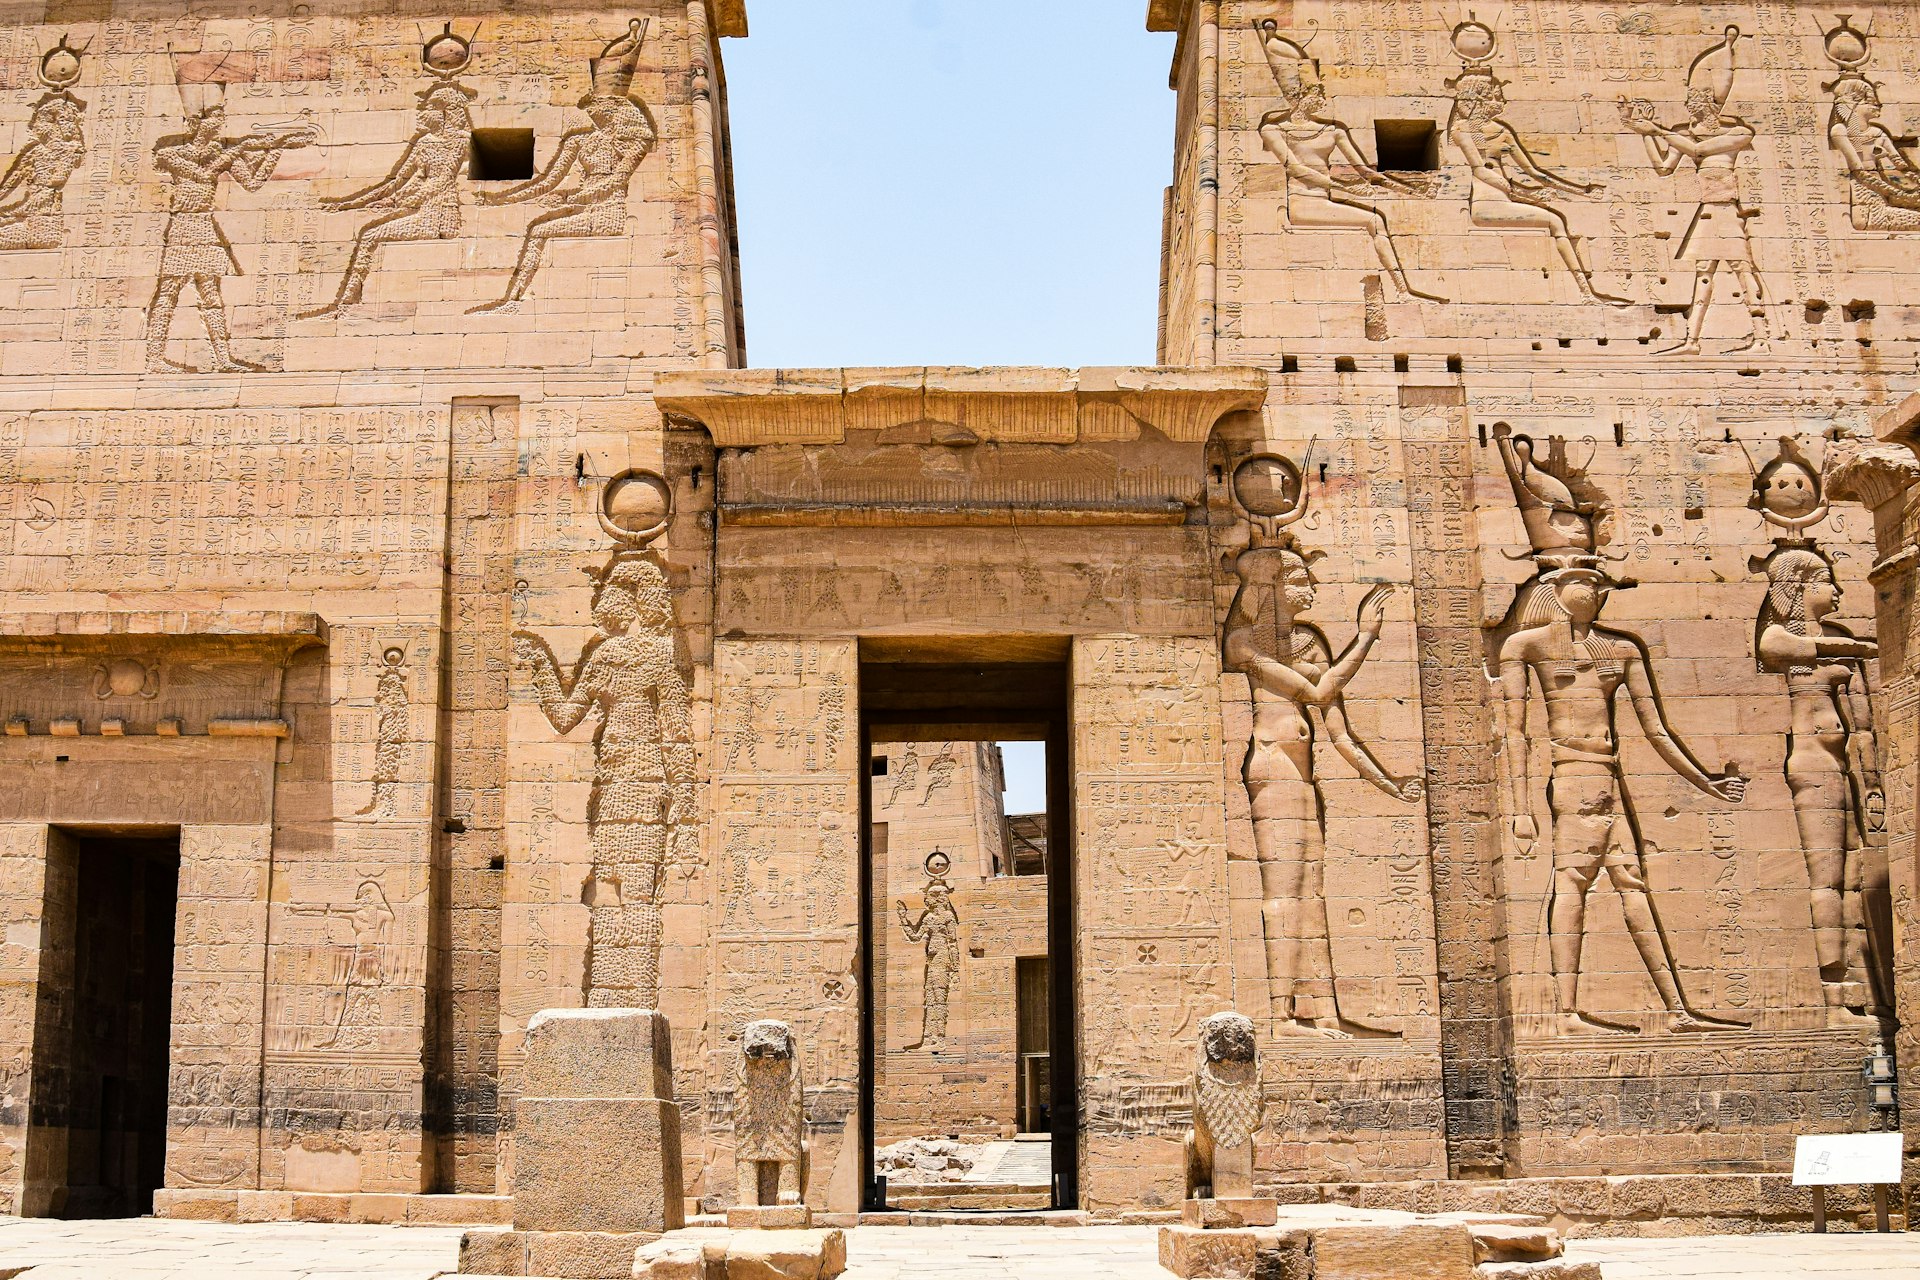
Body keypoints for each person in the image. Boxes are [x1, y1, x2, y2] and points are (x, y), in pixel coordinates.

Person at [1493, 568, 1748, 1033]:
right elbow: (1513, 733)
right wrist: (1521, 809)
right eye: (1579, 580)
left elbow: (1657, 730)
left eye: (1597, 583)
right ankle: (1567, 1013)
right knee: (1573, 883)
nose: (1590, 590)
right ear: (1556, 592)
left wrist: (1704, 782)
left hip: (1607, 775)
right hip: (1573, 777)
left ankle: (1675, 1011)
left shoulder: (1621, 649)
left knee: (1631, 883)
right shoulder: (1527, 645)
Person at [1223, 541, 1422, 1037]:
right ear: (1271, 588)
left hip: (1302, 777)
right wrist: (1365, 638)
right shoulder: (1245, 641)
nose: (1310, 589)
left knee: (1311, 893)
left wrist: (1388, 783)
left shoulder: (1307, 642)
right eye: (1299, 581)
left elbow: (1341, 733)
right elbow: (1316, 691)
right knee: (1285, 893)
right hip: (1272, 774)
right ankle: (1279, 1015)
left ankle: (1323, 1014)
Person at [515, 553, 694, 1008]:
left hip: (644, 782)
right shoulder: (607, 655)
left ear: (634, 601)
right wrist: (540, 665)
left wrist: (686, 813)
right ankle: (616, 998)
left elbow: (676, 733)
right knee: (614, 890)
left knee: (634, 891)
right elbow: (564, 717)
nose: (597, 598)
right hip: (612, 785)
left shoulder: (653, 658)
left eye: (609, 590)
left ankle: (635, 999)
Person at [1753, 547, 1887, 1024]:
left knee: (1855, 879)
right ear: (1800, 589)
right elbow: (1777, 650)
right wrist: (1855, 649)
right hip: (1812, 767)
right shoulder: (1781, 636)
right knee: (1826, 881)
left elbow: (1863, 725)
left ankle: (1864, 990)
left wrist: (1872, 783)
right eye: (1827, 581)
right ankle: (1834, 998)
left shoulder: (1841, 641)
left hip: (1844, 769)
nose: (1837, 591)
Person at [469, 21, 656, 312]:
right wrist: (499, 200)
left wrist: (571, 198)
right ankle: (511, 298)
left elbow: (616, 183)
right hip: (584, 206)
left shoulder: (633, 142)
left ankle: (512, 300)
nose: (590, 110)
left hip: (606, 213)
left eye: (598, 106)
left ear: (615, 111)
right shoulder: (580, 139)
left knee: (538, 231)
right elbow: (546, 181)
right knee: (537, 228)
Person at [1256, 20, 1443, 302]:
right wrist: (1346, 189)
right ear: (1298, 98)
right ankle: (1403, 292)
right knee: (1374, 220)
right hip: (1302, 203)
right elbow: (1296, 169)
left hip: (1325, 198)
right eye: (1315, 93)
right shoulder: (1274, 130)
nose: (1321, 99)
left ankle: (1404, 291)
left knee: (1375, 219)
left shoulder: (1334, 131)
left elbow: (1367, 172)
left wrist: (1408, 189)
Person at [1620, 27, 1770, 353]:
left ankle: (1761, 336)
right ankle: (1693, 341)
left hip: (1728, 209)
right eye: (1691, 100)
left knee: (1742, 270)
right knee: (1704, 274)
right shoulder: (1682, 133)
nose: (1692, 106)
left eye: (1697, 100)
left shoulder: (1738, 132)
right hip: (1708, 209)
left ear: (1711, 103)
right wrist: (1644, 133)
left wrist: (1655, 129)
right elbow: (1663, 166)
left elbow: (1699, 150)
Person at [146, 85, 311, 372]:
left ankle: (222, 358)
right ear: (194, 122)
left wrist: (274, 150)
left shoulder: (222, 152)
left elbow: (252, 183)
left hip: (204, 226)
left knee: (210, 294)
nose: (220, 121)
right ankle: (153, 358)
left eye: (221, 116)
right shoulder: (172, 151)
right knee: (169, 291)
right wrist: (239, 148)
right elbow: (201, 172)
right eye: (214, 115)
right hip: (183, 226)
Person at [1448, 68, 1631, 307]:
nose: (1502, 100)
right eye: (1495, 95)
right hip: (1487, 205)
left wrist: (1581, 191)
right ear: (1480, 100)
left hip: (1505, 199)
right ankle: (1586, 294)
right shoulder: (1462, 130)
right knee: (1555, 221)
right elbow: (1480, 170)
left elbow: (1535, 173)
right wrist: (1524, 193)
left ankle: (1586, 292)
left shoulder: (1502, 132)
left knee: (1556, 220)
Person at [301, 82, 472, 317]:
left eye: (427, 107)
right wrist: (347, 204)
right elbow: (393, 183)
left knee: (370, 235)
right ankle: (345, 304)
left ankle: (344, 306)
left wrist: (403, 200)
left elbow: (441, 181)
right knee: (368, 234)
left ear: (444, 112)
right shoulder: (424, 143)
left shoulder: (461, 140)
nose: (420, 112)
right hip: (422, 210)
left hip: (440, 217)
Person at [0, 93, 85, 251]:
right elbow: (12, 181)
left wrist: (11, 213)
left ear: (56, 125)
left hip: (42, 222)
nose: (32, 126)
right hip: (26, 214)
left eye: (39, 120)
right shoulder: (37, 150)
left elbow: (46, 193)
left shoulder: (69, 153)